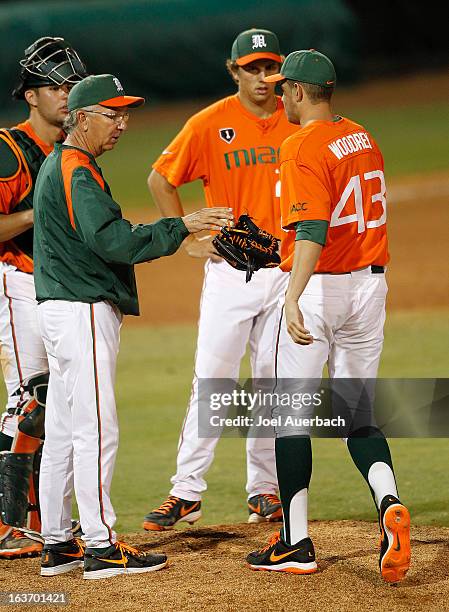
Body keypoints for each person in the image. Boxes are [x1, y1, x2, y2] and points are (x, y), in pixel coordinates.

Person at [33, 73, 233, 580]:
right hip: (81, 310)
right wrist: (181, 226)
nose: (122, 124)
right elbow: (114, 242)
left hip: (60, 308)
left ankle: (58, 541)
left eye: (125, 114)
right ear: (80, 118)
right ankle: (100, 546)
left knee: (61, 429)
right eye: (112, 114)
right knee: (96, 428)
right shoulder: (75, 170)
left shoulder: (64, 164)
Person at [246, 50, 411, 583]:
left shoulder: (300, 145)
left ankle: (296, 543)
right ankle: (389, 504)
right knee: (357, 411)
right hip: (370, 289)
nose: (276, 94)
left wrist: (291, 295)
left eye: (281, 86)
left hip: (320, 291)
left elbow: (313, 230)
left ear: (297, 91)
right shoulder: (362, 136)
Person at [142, 28, 299, 531]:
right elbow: (160, 179)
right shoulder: (210, 124)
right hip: (232, 272)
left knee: (272, 385)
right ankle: (186, 492)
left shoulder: (297, 122)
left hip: (286, 272)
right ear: (233, 71)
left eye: (269, 67)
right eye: (251, 68)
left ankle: (265, 491)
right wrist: (187, 238)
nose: (261, 77)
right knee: (214, 379)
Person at [0, 36, 88, 559]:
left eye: (73, 86)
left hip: (60, 288)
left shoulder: (73, 149)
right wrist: (40, 211)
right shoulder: (11, 149)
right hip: (18, 283)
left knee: (59, 405)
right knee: (29, 400)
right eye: (56, 86)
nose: (67, 95)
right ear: (30, 95)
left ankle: (43, 518)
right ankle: (7, 521)